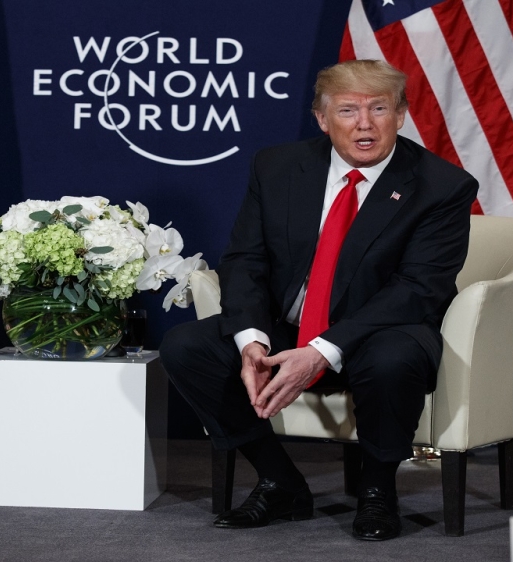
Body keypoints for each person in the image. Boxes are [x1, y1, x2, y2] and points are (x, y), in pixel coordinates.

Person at [160, 60, 478, 541]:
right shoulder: (277, 167)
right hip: (290, 325)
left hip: (381, 329)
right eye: (348, 110)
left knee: (394, 358)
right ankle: (280, 481)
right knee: (188, 346)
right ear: (322, 118)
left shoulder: (441, 186)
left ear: (401, 115)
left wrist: (322, 351)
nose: (365, 124)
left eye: (379, 109)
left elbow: (418, 289)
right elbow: (246, 259)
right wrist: (251, 341)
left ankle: (377, 491)